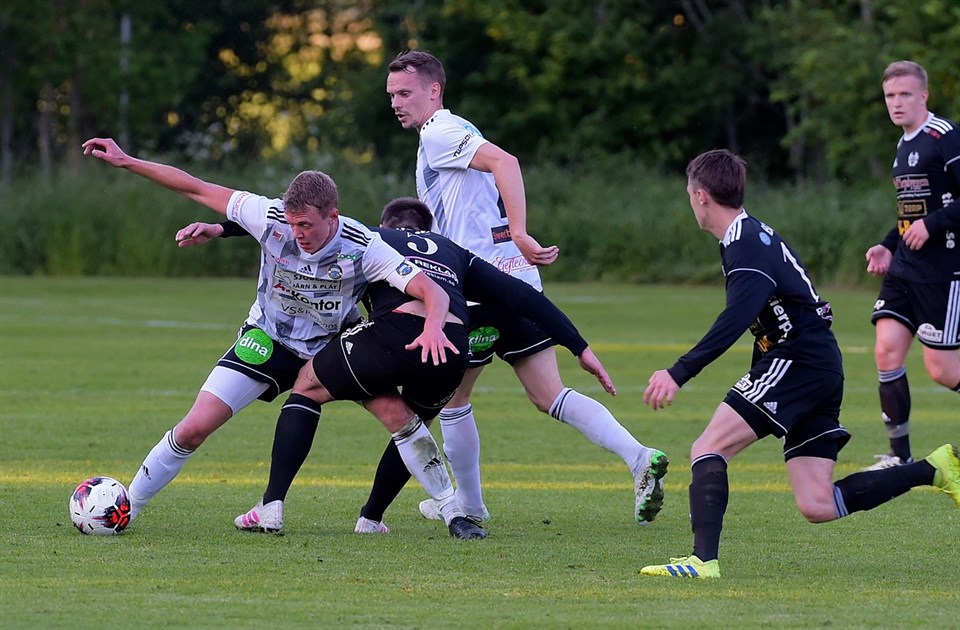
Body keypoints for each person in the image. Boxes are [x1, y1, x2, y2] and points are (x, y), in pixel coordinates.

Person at [80, 137, 465, 533]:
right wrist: (127, 161)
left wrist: (433, 326)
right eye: (292, 223)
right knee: (194, 427)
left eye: (306, 225)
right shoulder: (269, 216)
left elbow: (432, 291)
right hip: (268, 338)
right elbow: (195, 187)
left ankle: (452, 510)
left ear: (333, 216)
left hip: (331, 350)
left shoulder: (364, 246)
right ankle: (128, 507)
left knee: (398, 416)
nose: (297, 233)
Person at [199, 197, 619, 534]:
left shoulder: (371, 238)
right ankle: (371, 518)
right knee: (413, 424)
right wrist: (579, 347)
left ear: (385, 223)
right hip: (451, 349)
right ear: (430, 229)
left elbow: (288, 226)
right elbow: (523, 296)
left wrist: (222, 228)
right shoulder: (455, 252)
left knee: (307, 386)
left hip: (397, 335)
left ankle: (271, 505)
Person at [637, 149, 960, 579]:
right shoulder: (748, 236)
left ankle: (702, 561)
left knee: (707, 448)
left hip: (798, 360)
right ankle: (933, 468)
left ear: (700, 195)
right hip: (817, 364)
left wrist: (678, 372)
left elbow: (736, 317)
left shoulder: (745, 243)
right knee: (818, 504)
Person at [384, 50, 668, 526]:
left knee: (453, 399)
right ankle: (639, 457)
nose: (396, 102)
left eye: (405, 92)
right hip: (517, 279)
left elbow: (507, 162)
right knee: (549, 394)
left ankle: (469, 505)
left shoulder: (438, 131)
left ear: (434, 90)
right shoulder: (457, 129)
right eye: (392, 94)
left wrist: (518, 230)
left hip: (477, 287)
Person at [863, 60, 960, 471]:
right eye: (890, 95)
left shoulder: (945, 136)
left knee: (942, 371)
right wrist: (888, 246)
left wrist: (932, 225)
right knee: (886, 350)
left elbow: (933, 215)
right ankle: (899, 456)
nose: (896, 102)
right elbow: (910, 213)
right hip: (905, 269)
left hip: (943, 271)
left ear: (924, 95)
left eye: (905, 94)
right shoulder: (903, 147)